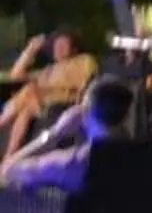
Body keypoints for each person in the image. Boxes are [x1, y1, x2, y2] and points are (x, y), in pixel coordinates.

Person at [1, 77, 135, 193]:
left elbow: (7, 170)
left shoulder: (70, 163)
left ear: (86, 108)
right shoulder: (136, 154)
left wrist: (55, 133)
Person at [2, 31, 98, 160]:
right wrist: (30, 50)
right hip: (38, 104)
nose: (58, 48)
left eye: (63, 44)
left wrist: (47, 90)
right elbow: (15, 76)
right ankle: (9, 157)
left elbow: (85, 82)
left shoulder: (83, 60)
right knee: (25, 109)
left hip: (64, 103)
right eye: (56, 45)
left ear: (74, 48)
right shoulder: (49, 70)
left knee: (29, 90)